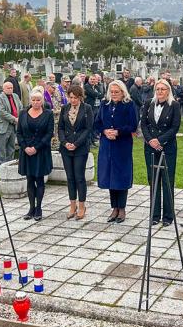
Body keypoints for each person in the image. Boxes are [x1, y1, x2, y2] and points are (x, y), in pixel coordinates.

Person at [94, 80, 139, 223]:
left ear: (122, 92)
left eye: (116, 92)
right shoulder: (104, 104)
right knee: (110, 176)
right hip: (107, 145)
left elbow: (133, 125)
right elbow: (97, 123)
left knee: (121, 176)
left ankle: (122, 208)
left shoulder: (129, 105)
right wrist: (105, 131)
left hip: (122, 145)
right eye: (111, 92)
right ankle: (114, 207)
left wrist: (118, 132)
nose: (113, 94)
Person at [140, 80, 182, 226]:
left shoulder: (174, 105)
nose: (160, 91)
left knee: (167, 180)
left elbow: (175, 127)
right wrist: (150, 140)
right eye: (157, 89)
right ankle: (155, 214)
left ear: (168, 90)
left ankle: (168, 216)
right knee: (153, 180)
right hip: (150, 147)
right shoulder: (148, 103)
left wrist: (160, 140)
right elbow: (144, 123)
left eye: (163, 89)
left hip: (167, 147)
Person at [58, 85, 94, 220]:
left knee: (79, 177)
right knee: (70, 177)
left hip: (80, 147)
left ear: (80, 97)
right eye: (70, 97)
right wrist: (64, 142)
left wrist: (76, 143)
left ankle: (82, 205)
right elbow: (60, 127)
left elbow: (88, 128)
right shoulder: (64, 108)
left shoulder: (87, 109)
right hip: (66, 148)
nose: (72, 100)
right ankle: (72, 205)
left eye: (75, 97)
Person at [16, 90, 54, 221]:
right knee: (30, 180)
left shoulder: (48, 114)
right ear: (30, 100)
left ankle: (39, 208)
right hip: (26, 152)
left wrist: (36, 148)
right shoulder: (23, 114)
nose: (35, 102)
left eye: (38, 100)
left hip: (41, 151)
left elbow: (49, 133)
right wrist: (25, 147)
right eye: (33, 100)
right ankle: (31, 208)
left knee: (39, 180)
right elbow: (19, 132)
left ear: (42, 100)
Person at [0, 81, 22, 164]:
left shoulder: (15, 96)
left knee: (11, 147)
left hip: (14, 126)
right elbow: (2, 112)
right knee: (2, 148)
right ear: (3, 89)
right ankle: (1, 167)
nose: (10, 90)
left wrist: (20, 117)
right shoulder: (0, 98)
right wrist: (14, 119)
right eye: (8, 88)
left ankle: (9, 164)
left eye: (11, 88)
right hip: (4, 126)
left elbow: (20, 107)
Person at [44, 81, 64, 150]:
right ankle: (52, 146)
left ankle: (56, 145)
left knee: (57, 132)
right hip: (50, 117)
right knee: (51, 132)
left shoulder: (56, 94)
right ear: (48, 87)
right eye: (53, 88)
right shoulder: (44, 96)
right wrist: (57, 111)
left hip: (57, 117)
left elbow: (59, 102)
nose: (54, 89)